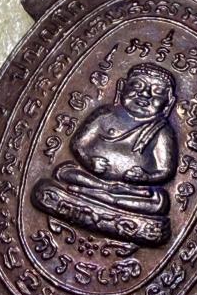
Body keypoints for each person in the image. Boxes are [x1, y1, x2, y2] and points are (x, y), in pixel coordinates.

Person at [32, 63, 179, 245]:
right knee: (64, 171)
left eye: (157, 92)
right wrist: (89, 162)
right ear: (121, 87)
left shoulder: (162, 130)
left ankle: (96, 199)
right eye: (137, 86)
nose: (145, 94)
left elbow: (165, 170)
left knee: (158, 200)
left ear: (169, 102)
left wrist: (145, 177)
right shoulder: (105, 114)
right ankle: (105, 201)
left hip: (130, 191)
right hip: (91, 179)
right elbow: (78, 144)